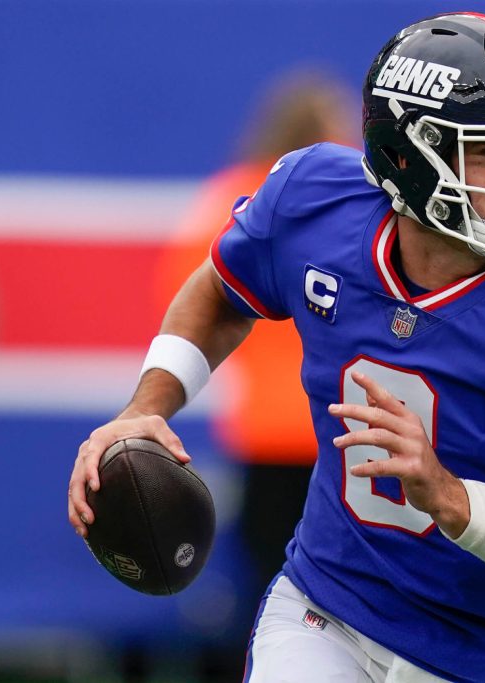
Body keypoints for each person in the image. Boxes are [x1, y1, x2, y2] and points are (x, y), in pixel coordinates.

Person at [69, 13, 485, 682]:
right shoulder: (314, 201)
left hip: (482, 661)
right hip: (324, 613)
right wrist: (145, 408)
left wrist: (449, 495)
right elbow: (221, 286)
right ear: (407, 153)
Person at [155, 68, 357, 599]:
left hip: (262, 427)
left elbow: (188, 290)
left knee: (268, 582)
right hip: (333, 426)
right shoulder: (341, 202)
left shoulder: (228, 196)